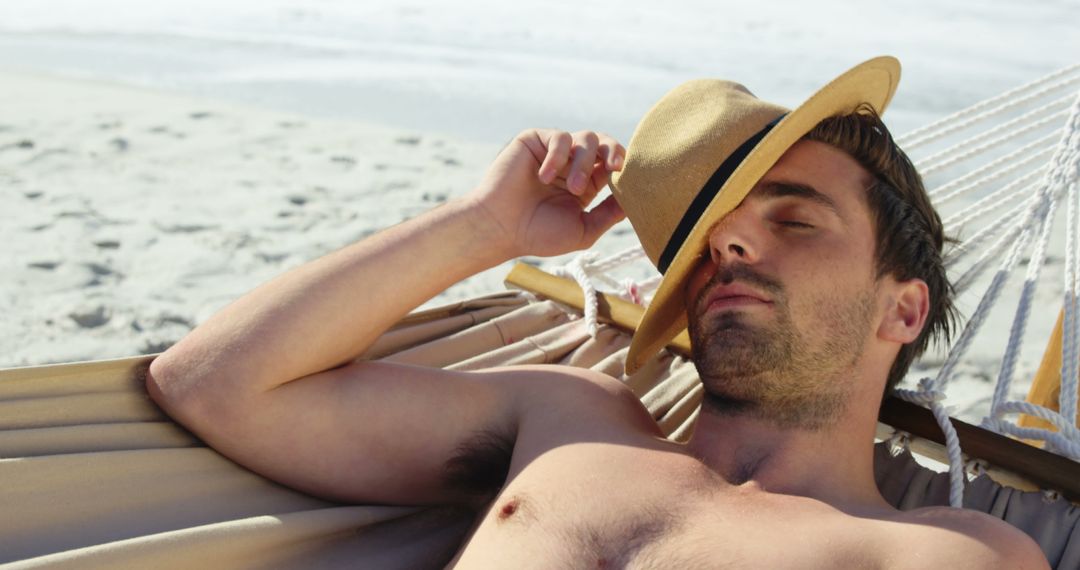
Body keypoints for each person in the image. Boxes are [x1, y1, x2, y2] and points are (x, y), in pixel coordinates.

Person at [146, 57, 1049, 568]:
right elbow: (216, 384)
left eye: (795, 218)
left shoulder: (951, 554)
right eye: (710, 238)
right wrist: (485, 227)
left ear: (903, 309)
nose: (729, 247)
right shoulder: (566, 420)